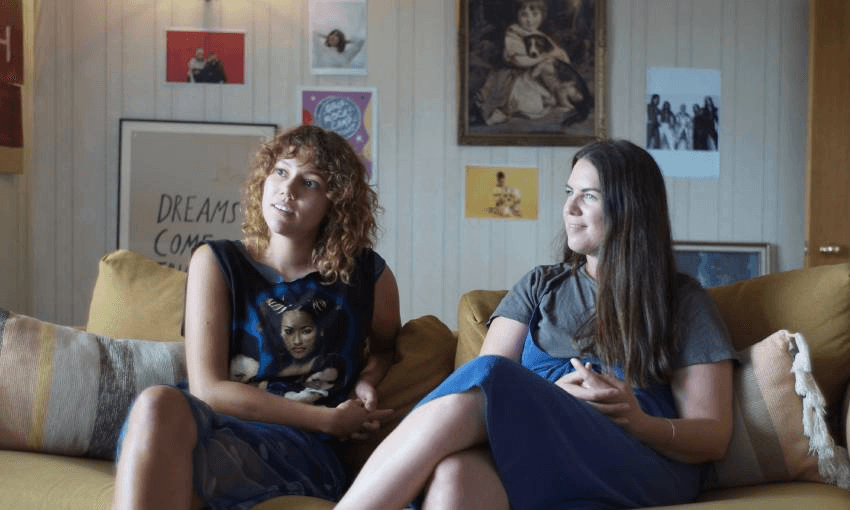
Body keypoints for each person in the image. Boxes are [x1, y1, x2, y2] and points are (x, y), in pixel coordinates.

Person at [335, 139, 737, 510]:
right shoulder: (540, 285)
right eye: (569, 193)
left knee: (491, 376)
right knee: (455, 473)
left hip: (639, 458)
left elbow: (714, 436)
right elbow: (482, 395)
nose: (570, 207)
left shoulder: (683, 301)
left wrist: (638, 420)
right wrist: (549, 400)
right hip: (540, 452)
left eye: (589, 195)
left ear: (631, 207)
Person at [111, 124, 401, 510]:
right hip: (218, 421)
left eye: (309, 182)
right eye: (281, 172)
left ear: (336, 203)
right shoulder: (216, 262)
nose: (288, 189)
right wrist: (329, 420)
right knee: (155, 403)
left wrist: (367, 379)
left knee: (182, 462)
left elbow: (385, 348)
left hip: (299, 447)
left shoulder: (369, 276)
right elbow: (208, 389)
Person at [477, 0, 584, 125]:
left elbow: (560, 55)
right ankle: (505, 110)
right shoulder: (513, 33)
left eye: (535, 15)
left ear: (542, 16)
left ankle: (545, 99)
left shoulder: (539, 35)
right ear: (517, 15)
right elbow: (519, 61)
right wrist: (545, 56)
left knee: (546, 95)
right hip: (512, 77)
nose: (530, 20)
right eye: (524, 15)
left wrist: (559, 55)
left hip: (533, 77)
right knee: (532, 105)